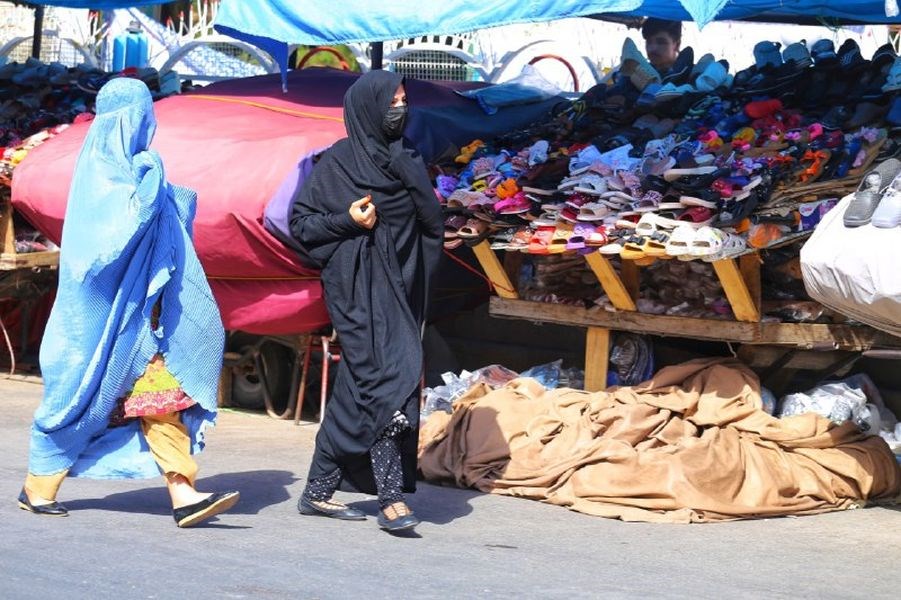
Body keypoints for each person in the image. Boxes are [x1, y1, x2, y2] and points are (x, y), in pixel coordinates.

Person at [18, 78, 239, 528]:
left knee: (159, 397)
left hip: (135, 320)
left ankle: (184, 494)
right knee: (78, 405)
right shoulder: (101, 175)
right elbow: (108, 244)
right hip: (94, 323)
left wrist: (165, 197)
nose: (148, 124)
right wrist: (150, 189)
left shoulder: (130, 169)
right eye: (143, 115)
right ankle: (39, 485)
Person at [290, 70, 443, 532]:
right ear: (367, 109)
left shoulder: (408, 159)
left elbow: (425, 225)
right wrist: (348, 221)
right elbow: (302, 226)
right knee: (388, 382)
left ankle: (318, 491)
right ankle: (391, 498)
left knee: (359, 388)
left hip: (402, 291)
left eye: (403, 99)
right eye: (391, 101)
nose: (400, 108)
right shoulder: (337, 164)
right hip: (356, 290)